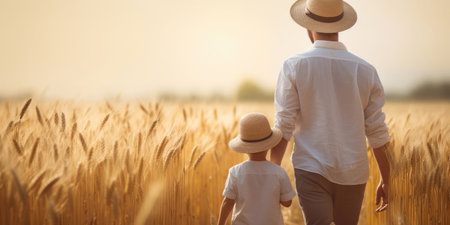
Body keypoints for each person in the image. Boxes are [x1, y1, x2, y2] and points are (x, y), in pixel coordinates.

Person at [270, 0, 391, 225]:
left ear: (309, 25)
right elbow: (377, 131)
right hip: (353, 171)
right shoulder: (365, 70)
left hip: (310, 167)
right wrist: (386, 179)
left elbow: (283, 124)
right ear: (340, 25)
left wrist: (271, 174)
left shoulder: (293, 65)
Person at [217, 112, 297, 225]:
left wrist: (220, 223)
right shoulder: (279, 172)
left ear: (244, 147)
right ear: (269, 145)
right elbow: (287, 202)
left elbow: (228, 201)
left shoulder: (235, 172)